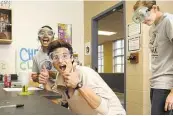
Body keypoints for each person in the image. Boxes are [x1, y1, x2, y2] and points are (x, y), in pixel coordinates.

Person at [38, 39, 126, 115]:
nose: (60, 60)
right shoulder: (60, 77)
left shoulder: (86, 73)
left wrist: (78, 85)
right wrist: (45, 83)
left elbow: (103, 109)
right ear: (52, 62)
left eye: (65, 56)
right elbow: (58, 101)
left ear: (71, 58)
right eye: (55, 57)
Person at [133, 1, 173, 115]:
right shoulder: (153, 28)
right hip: (156, 83)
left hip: (167, 84)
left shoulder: (169, 21)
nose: (143, 21)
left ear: (154, 8)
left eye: (144, 16)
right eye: (140, 18)